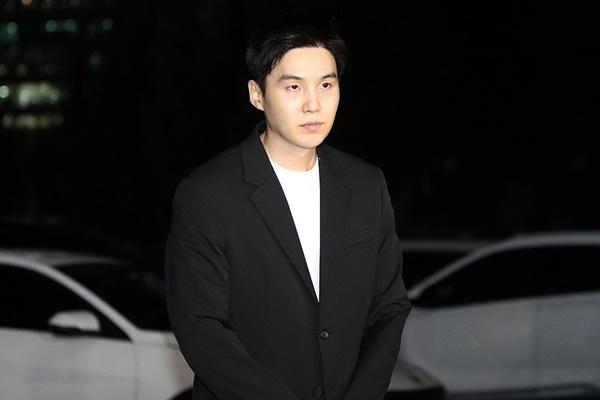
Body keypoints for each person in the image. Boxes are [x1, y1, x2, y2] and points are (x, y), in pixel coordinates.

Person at [165, 12, 412, 400]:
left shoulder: (366, 185)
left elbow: (389, 308)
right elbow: (201, 328)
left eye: (326, 84)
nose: (314, 104)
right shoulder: (207, 195)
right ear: (257, 94)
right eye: (294, 87)